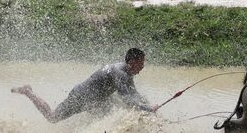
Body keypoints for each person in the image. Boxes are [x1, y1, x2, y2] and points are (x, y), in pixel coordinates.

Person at [11, 48, 157, 122]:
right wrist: (147, 109)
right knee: (52, 118)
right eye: (141, 63)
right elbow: (127, 98)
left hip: (97, 101)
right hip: (80, 97)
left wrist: (147, 106)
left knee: (113, 116)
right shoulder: (119, 73)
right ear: (131, 62)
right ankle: (28, 92)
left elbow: (133, 94)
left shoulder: (127, 73)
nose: (142, 67)